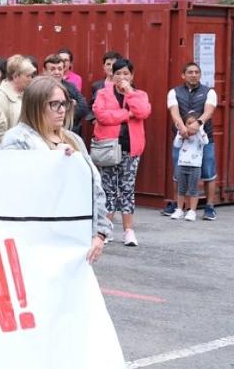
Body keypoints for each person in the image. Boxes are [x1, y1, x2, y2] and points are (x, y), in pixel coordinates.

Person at [0, 77, 110, 264]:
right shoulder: (17, 140)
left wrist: (100, 233)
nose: (62, 110)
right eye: (54, 104)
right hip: (36, 242)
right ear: (36, 106)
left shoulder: (73, 139)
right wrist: (50, 162)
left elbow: (95, 188)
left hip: (75, 240)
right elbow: (11, 190)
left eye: (65, 104)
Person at [92, 58, 151, 247]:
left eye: (126, 73)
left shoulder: (139, 94)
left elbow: (143, 112)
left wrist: (130, 93)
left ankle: (128, 231)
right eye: (118, 73)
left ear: (132, 76)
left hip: (131, 148)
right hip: (108, 147)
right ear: (112, 75)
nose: (122, 77)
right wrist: (127, 115)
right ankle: (105, 230)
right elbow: (101, 116)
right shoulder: (102, 93)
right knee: (108, 189)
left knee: (127, 189)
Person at [163, 62, 218, 220]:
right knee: (178, 173)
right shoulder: (174, 92)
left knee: (208, 172)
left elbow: (209, 111)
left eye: (196, 72)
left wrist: (198, 124)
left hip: (204, 139)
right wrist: (182, 128)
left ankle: (209, 206)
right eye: (190, 72)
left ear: (200, 75)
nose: (194, 75)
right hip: (182, 139)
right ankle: (178, 205)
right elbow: (174, 112)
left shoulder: (209, 92)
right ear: (183, 75)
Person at [0, 55, 36, 149]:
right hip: (8, 155)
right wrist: (10, 148)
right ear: (16, 76)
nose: (31, 79)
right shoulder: (2, 96)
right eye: (28, 76)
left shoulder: (25, 94)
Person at [170, 112, 208, 222]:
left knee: (193, 189)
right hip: (182, 164)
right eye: (188, 123)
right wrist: (180, 134)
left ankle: (192, 211)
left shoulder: (200, 135)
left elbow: (205, 142)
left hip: (195, 166)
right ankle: (179, 209)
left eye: (193, 124)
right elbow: (176, 145)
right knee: (181, 189)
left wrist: (200, 130)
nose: (190, 126)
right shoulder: (182, 134)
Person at [41, 54, 91, 136]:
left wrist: (59, 114)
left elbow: (84, 108)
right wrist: (70, 105)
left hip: (71, 133)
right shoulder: (39, 89)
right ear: (44, 71)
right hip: (47, 133)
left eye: (60, 69)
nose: (57, 72)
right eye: (52, 69)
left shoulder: (71, 86)